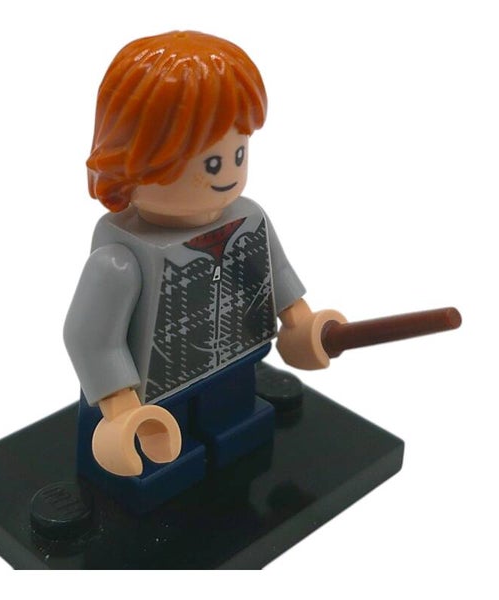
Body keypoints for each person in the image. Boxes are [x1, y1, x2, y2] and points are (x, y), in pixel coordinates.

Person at [64, 31, 345, 512]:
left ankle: (233, 447)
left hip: (234, 359)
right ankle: (158, 477)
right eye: (210, 161)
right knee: (159, 459)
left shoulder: (250, 220)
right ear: (134, 161)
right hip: (153, 395)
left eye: (238, 154)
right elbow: (90, 337)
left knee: (237, 423)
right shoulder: (121, 258)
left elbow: (275, 276)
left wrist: (302, 323)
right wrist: (119, 407)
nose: (228, 172)